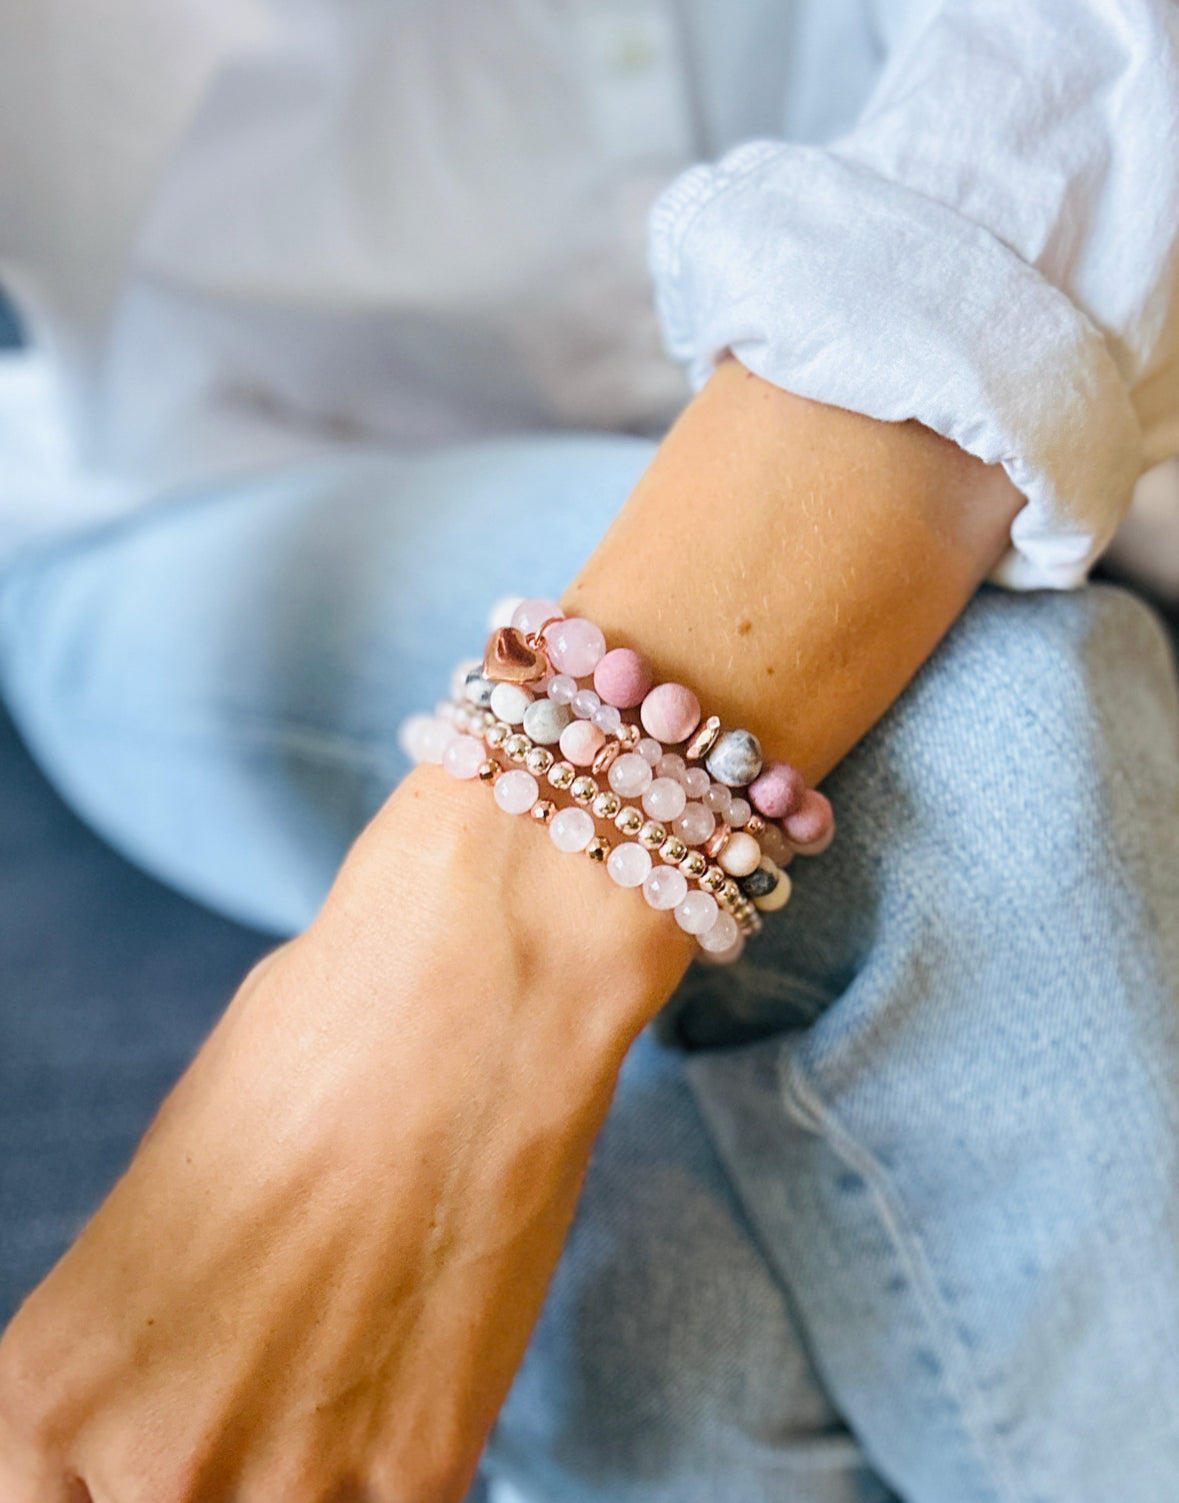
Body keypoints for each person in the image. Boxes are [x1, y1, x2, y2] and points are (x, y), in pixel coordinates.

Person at [1, 1, 1178, 1499]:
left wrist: (468, 961)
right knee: (978, 756)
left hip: (997, 433)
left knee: (675, 1348)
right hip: (238, 481)